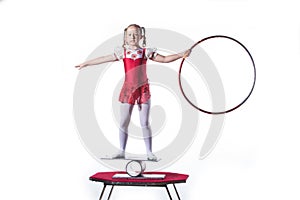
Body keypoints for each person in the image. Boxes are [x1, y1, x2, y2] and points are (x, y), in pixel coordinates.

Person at [75, 24, 190, 161]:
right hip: (128, 89)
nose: (132, 37)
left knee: (144, 122)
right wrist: (86, 63)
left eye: (135, 34)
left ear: (141, 36)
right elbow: (103, 58)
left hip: (143, 89)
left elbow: (164, 59)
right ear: (125, 37)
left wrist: (181, 54)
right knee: (123, 121)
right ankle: (121, 151)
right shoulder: (122, 52)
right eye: (129, 34)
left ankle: (149, 153)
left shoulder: (146, 52)